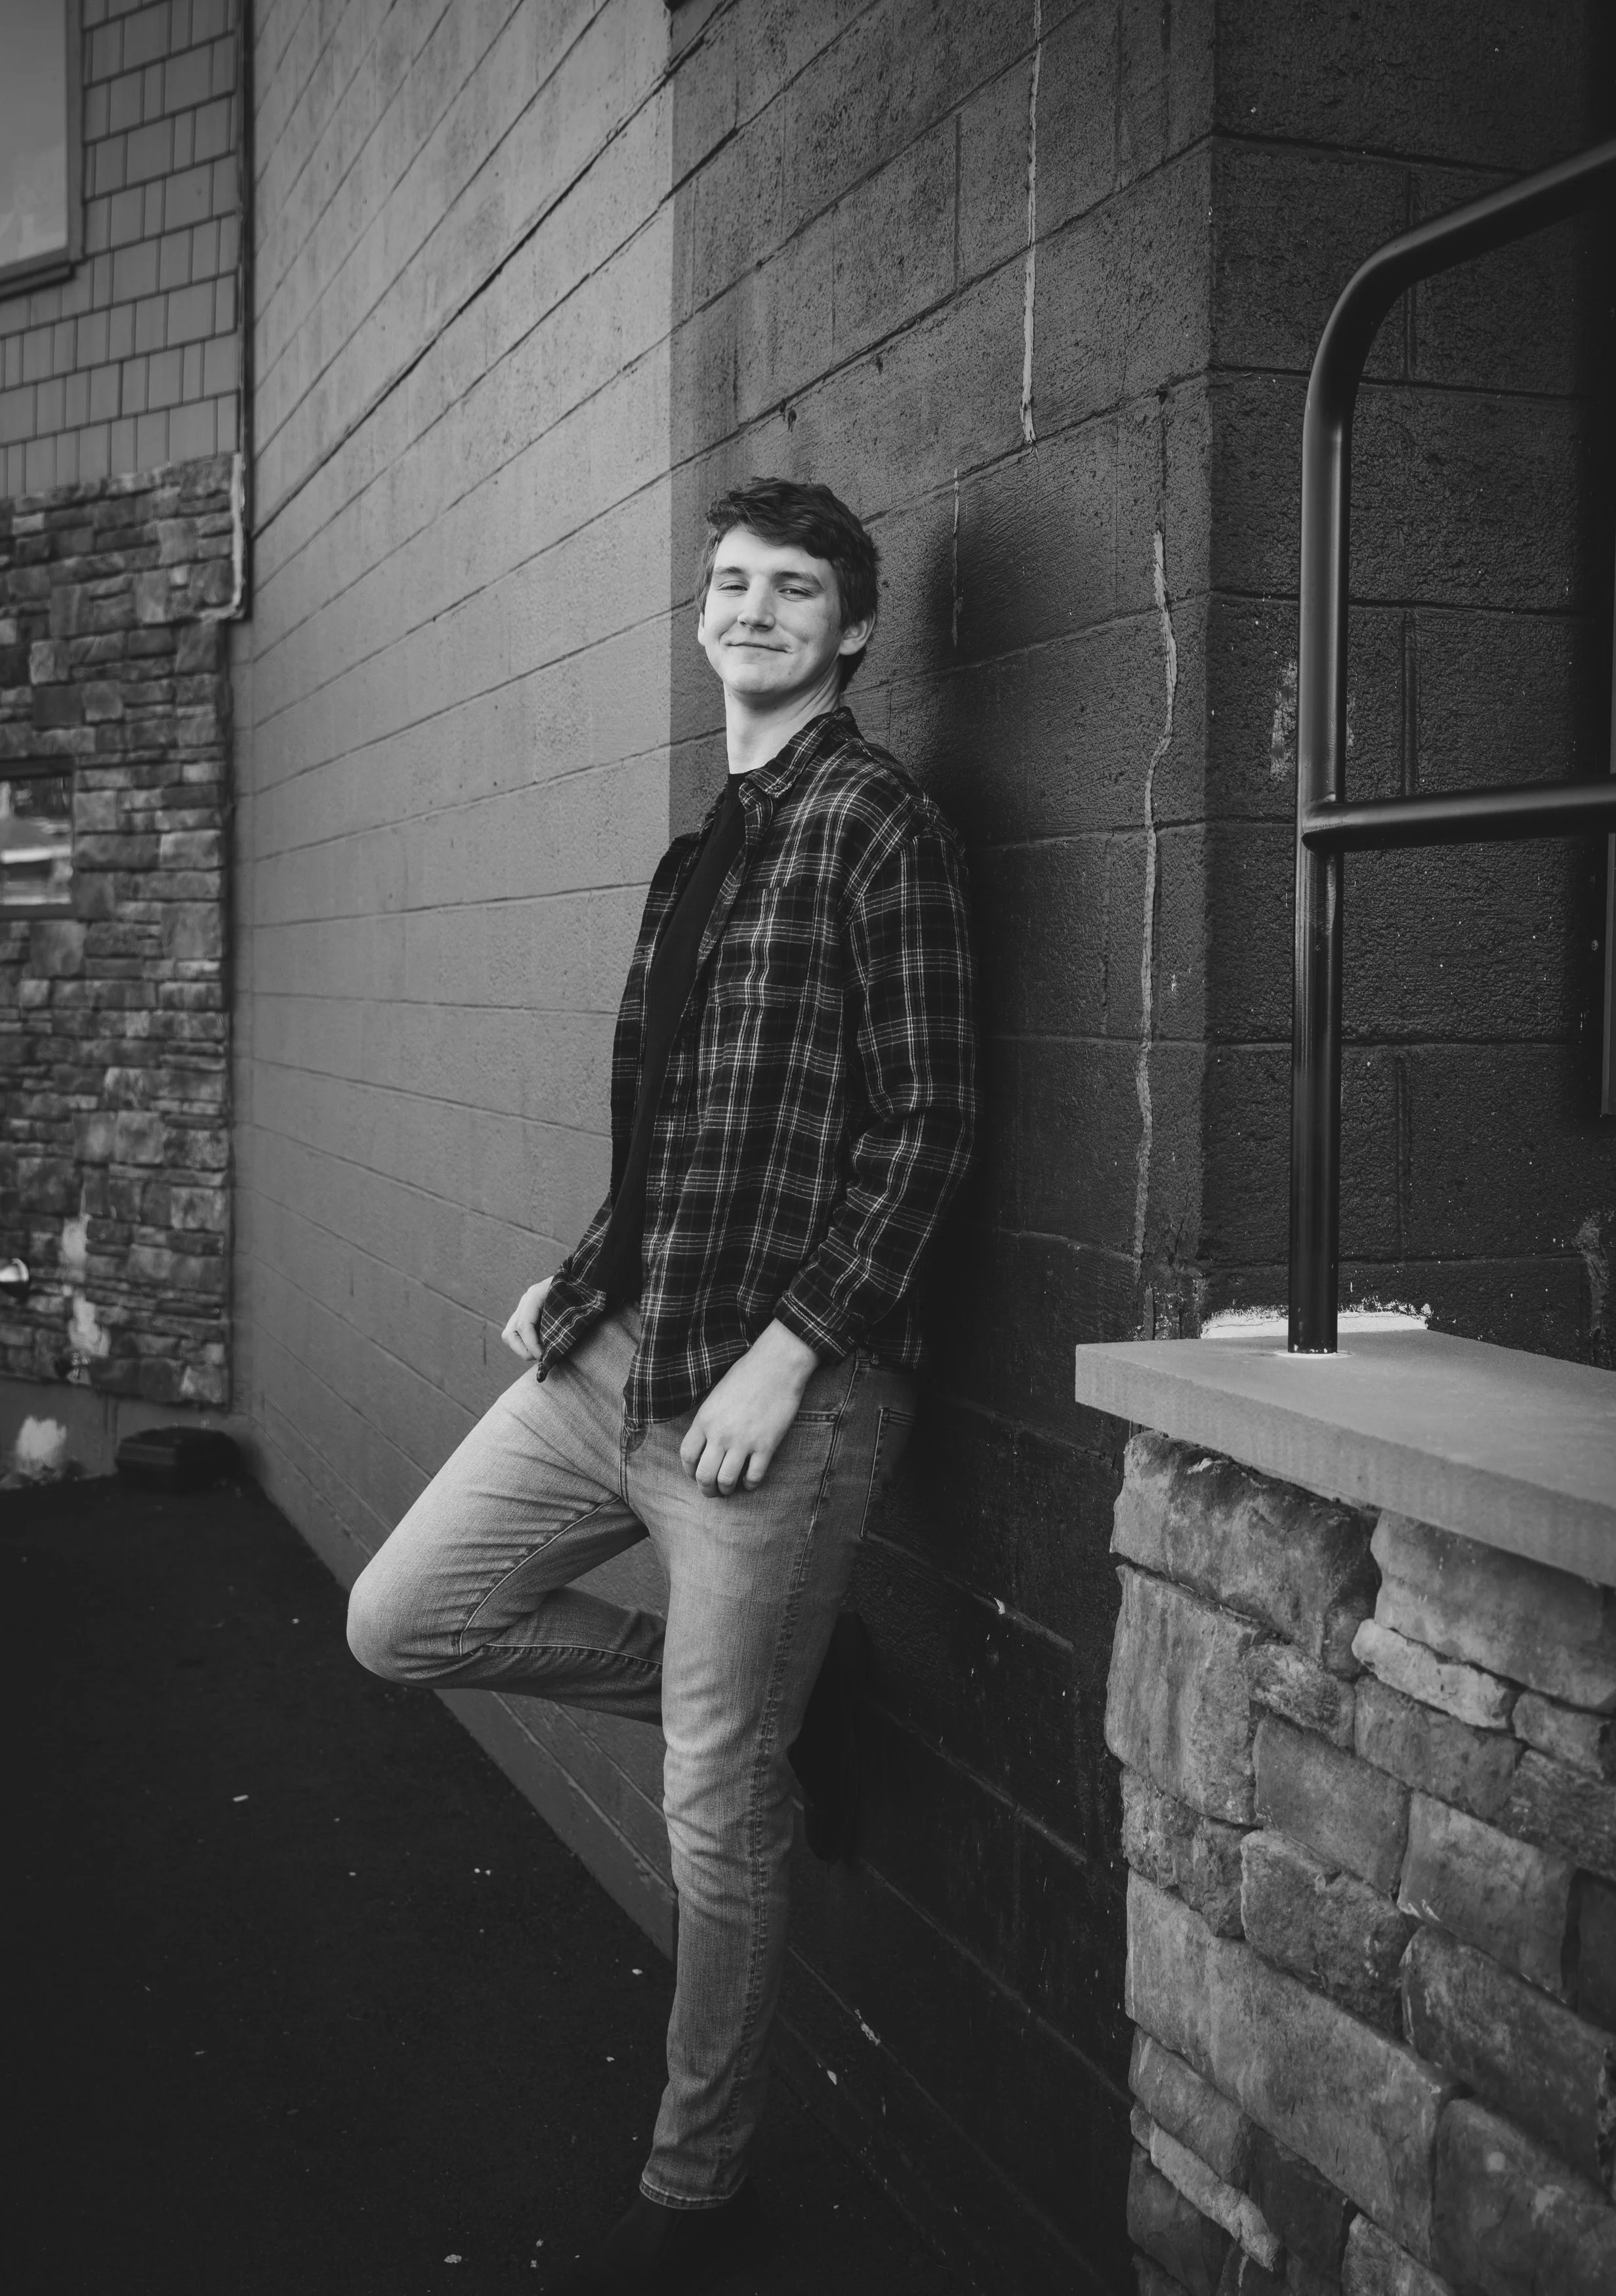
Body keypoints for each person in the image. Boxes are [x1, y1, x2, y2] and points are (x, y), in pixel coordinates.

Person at [346, 476, 978, 2293]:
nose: (753, 607)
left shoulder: (877, 826)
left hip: (769, 1396)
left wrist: (795, 1351)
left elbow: (932, 1125)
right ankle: (789, 1699)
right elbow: (686, 1128)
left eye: (794, 588)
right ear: (701, 615)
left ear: (852, 629)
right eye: (729, 582)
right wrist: (589, 1264)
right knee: (402, 1618)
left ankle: (695, 2187)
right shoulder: (714, 837)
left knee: (714, 1805)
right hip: (617, 1351)